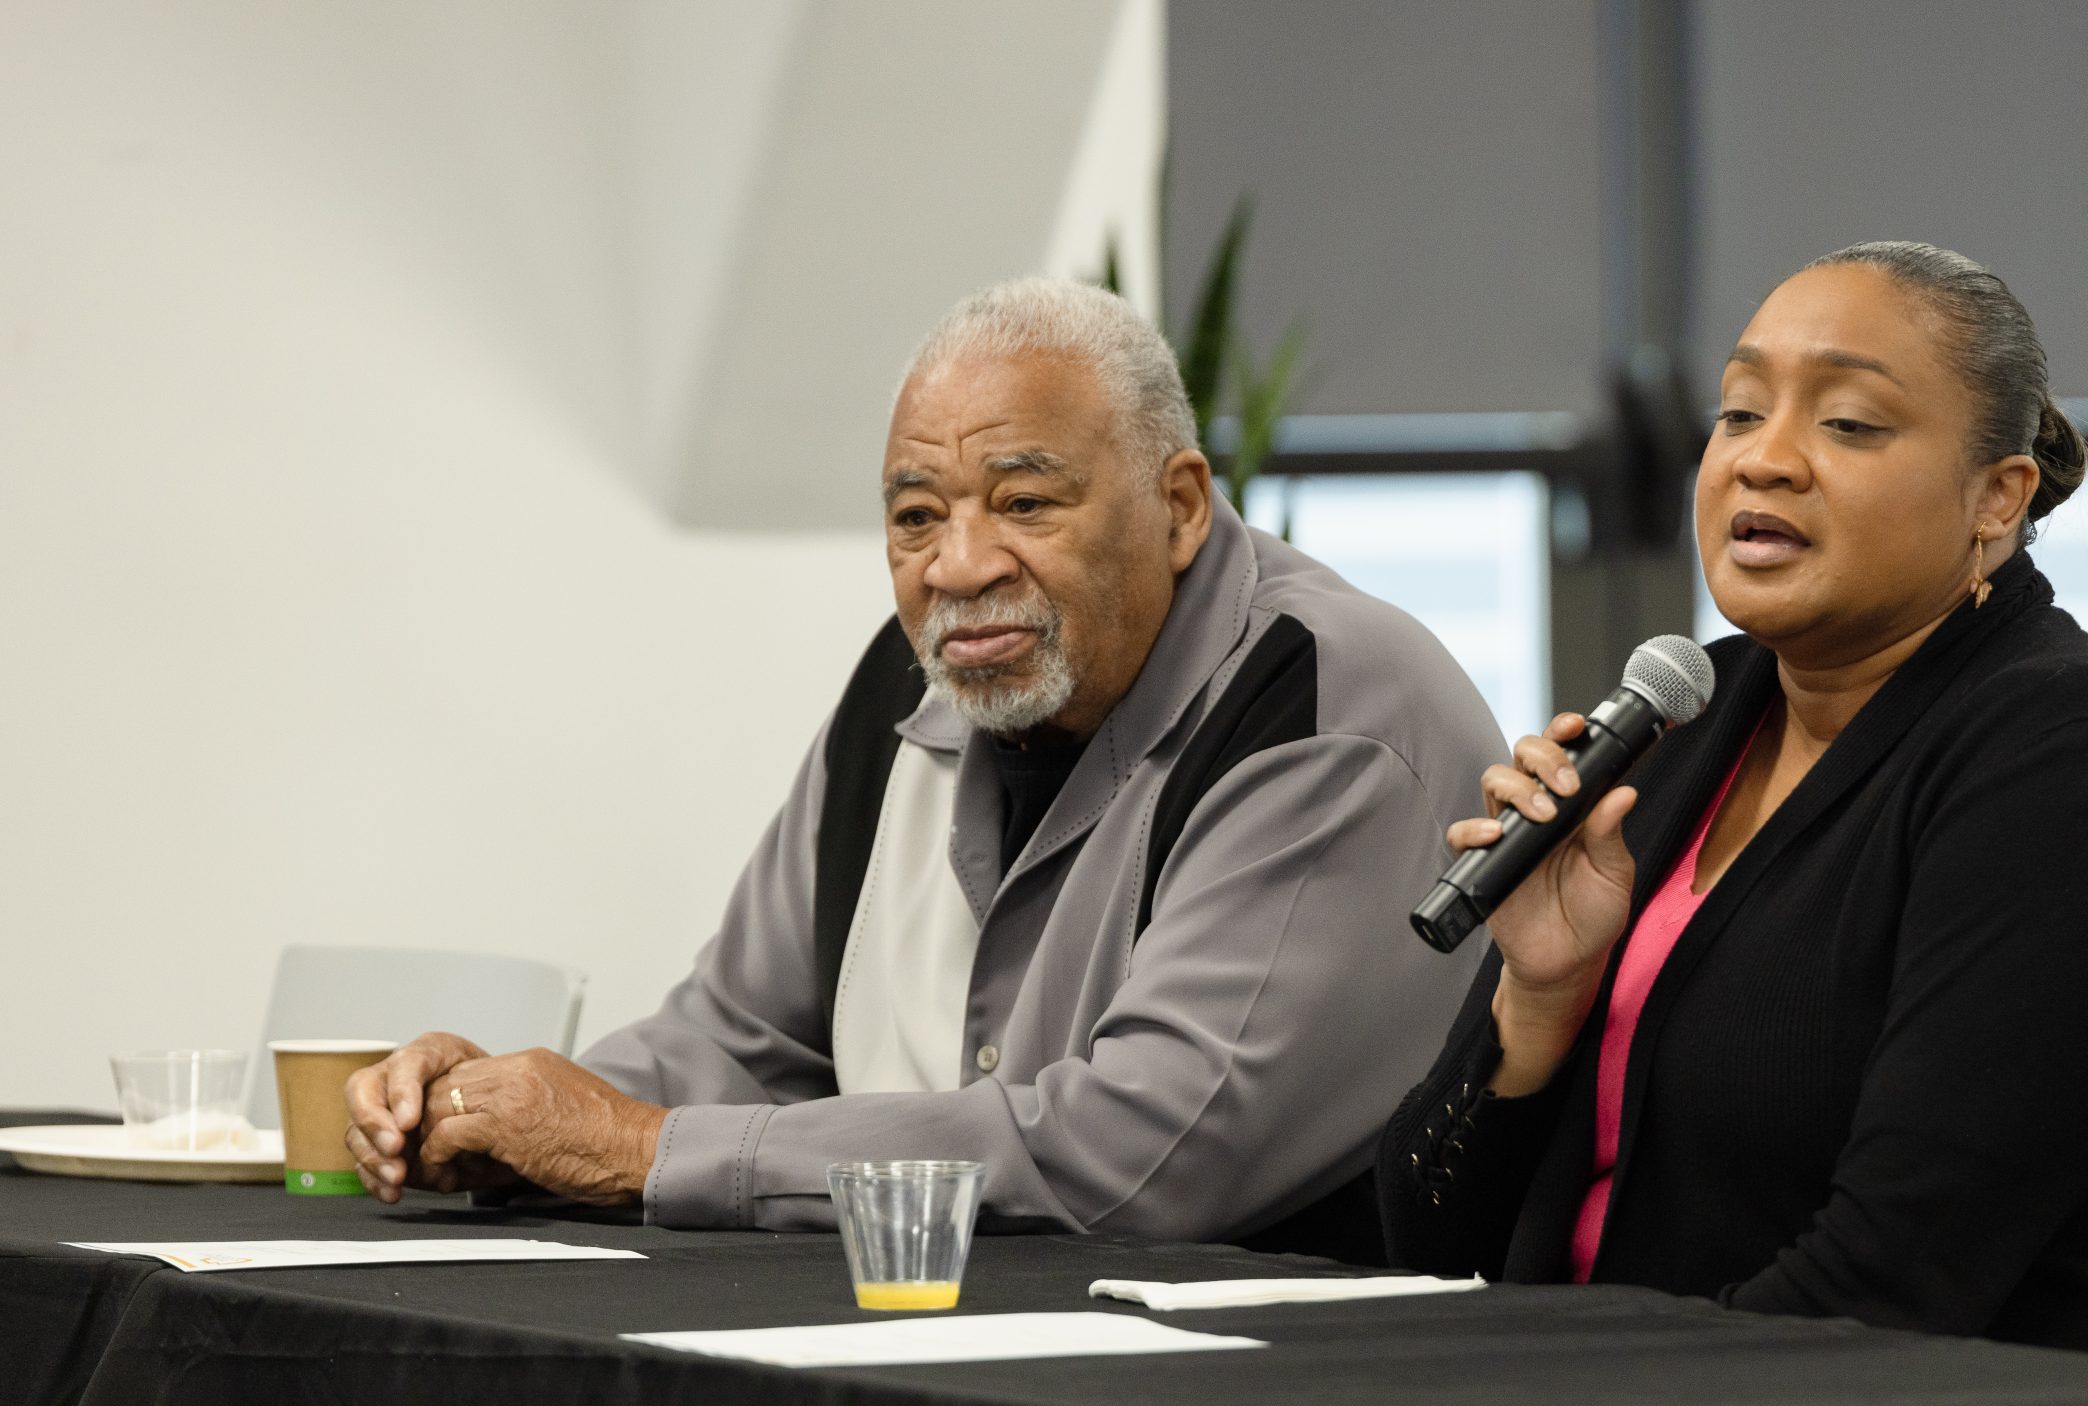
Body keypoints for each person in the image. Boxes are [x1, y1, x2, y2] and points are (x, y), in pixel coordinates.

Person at [344, 277, 1502, 1255]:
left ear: (1180, 506)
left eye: (1025, 502)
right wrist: (503, 1111)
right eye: (914, 517)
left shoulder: (1322, 707)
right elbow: (743, 1037)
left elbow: (1141, 1159)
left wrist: (636, 1149)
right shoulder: (913, 686)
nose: (958, 566)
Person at [1381, 241, 2088, 1358]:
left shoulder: (2085, 771)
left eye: (1848, 424)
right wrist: (1539, 999)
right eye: (1739, 413)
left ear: (1997, 498)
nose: (1765, 461)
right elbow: (1423, 1231)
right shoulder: (1681, 729)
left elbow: (1893, 1279)